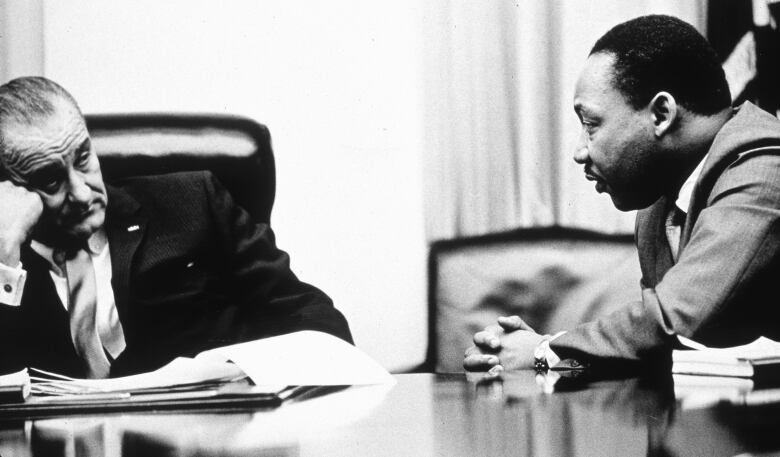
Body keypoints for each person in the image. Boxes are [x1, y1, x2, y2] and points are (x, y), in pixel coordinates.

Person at [464, 14, 780, 373]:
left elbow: (672, 321)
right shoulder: (659, 204)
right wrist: (554, 353)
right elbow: (661, 347)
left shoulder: (766, 170)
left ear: (661, 114)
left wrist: (545, 349)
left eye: (591, 124)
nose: (579, 151)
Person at [0, 76, 352, 378]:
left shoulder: (192, 201)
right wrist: (4, 258)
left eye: (83, 158)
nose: (80, 192)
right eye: (49, 181)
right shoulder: (7, 262)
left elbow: (310, 314)